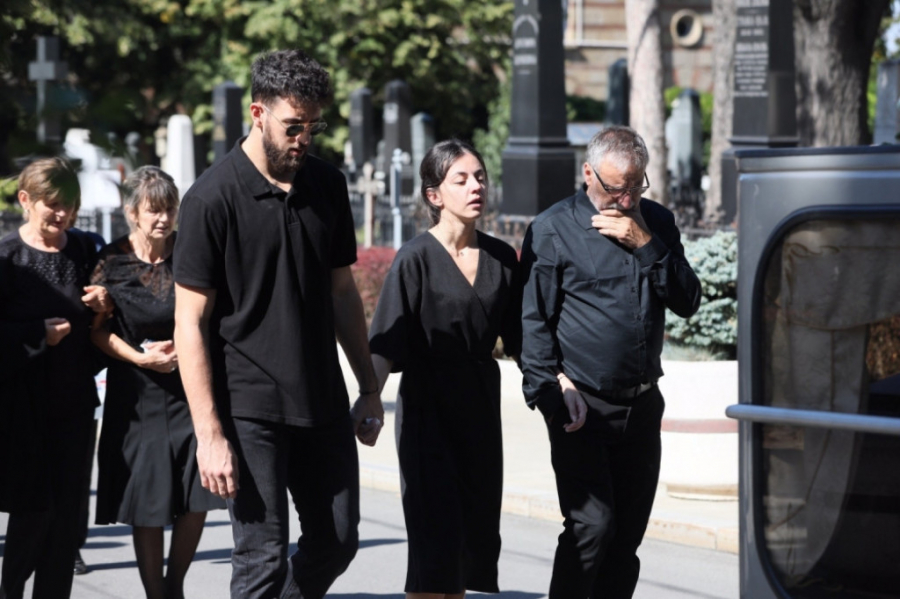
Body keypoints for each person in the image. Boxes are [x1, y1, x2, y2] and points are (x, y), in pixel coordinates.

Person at [172, 49, 383, 599]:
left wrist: (368, 386)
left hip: (322, 400)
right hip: (248, 408)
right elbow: (189, 322)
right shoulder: (210, 198)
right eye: (293, 126)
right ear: (258, 112)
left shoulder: (328, 185)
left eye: (314, 126)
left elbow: (343, 293)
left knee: (338, 541)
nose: (304, 138)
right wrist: (209, 434)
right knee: (261, 557)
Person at [520, 125, 702, 599]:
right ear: (588, 174)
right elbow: (532, 323)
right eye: (615, 188)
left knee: (625, 540)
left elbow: (687, 299)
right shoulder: (552, 229)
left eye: (635, 187)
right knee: (592, 527)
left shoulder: (655, 222)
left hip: (641, 405)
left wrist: (646, 244)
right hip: (581, 405)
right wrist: (552, 393)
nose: (625, 199)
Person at [368, 140, 522, 598]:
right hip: (427, 412)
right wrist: (368, 401)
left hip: (479, 411)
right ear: (434, 195)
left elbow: (524, 340)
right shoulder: (414, 258)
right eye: (462, 179)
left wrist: (560, 383)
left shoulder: (502, 258)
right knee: (434, 546)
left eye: (480, 178)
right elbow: (385, 342)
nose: (477, 187)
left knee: (471, 545)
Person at [89, 166, 225, 599]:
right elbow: (97, 332)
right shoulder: (111, 261)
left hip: (189, 390)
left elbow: (212, 315)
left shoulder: (190, 251)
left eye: (169, 209)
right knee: (147, 501)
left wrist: (186, 351)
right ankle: (156, 594)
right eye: (154, 210)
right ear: (133, 213)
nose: (164, 219)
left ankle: (174, 584)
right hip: (136, 394)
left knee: (199, 494)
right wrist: (140, 358)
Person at [0, 157, 111, 599]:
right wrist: (36, 334)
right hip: (21, 407)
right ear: (26, 200)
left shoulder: (84, 249)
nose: (63, 214)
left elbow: (114, 303)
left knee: (66, 517)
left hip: (74, 403)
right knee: (33, 511)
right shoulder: (7, 257)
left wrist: (105, 302)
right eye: (53, 204)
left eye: (70, 204)